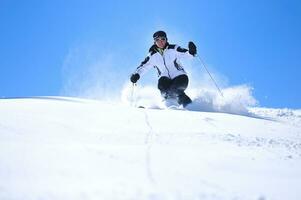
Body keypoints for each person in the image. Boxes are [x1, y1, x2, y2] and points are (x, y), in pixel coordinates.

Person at [130, 30, 197, 107]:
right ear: (154, 42)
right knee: (163, 87)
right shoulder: (152, 55)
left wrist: (191, 52)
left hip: (180, 77)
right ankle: (171, 106)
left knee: (175, 90)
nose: (160, 42)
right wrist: (136, 74)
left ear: (166, 40)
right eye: (157, 40)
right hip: (165, 79)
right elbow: (144, 66)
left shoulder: (173, 49)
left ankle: (190, 106)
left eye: (163, 39)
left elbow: (184, 53)